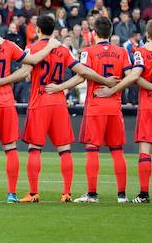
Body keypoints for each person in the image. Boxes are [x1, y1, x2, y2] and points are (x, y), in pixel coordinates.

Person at [0, 10, 61, 203]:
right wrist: (50, 45)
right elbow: (32, 61)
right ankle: (12, 194)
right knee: (11, 148)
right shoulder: (8, 44)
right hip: (8, 102)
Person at [94, 19, 152, 203]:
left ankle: (144, 194)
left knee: (145, 150)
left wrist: (113, 90)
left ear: (147, 34)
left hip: (148, 105)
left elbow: (135, 77)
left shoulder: (140, 52)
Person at [18, 14, 101, 202]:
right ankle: (66, 193)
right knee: (64, 149)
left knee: (34, 148)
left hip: (39, 100)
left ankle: (33, 193)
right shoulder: (63, 49)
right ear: (54, 29)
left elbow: (25, 73)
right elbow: (81, 72)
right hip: (58, 101)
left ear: (38, 29)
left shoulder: (31, 48)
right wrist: (62, 87)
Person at [73, 16, 142, 203]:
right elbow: (131, 77)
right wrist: (113, 89)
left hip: (95, 105)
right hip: (114, 106)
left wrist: (60, 87)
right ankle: (122, 195)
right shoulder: (121, 51)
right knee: (117, 150)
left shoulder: (88, 51)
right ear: (111, 33)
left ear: (94, 33)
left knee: (92, 149)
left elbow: (82, 74)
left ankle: (92, 194)